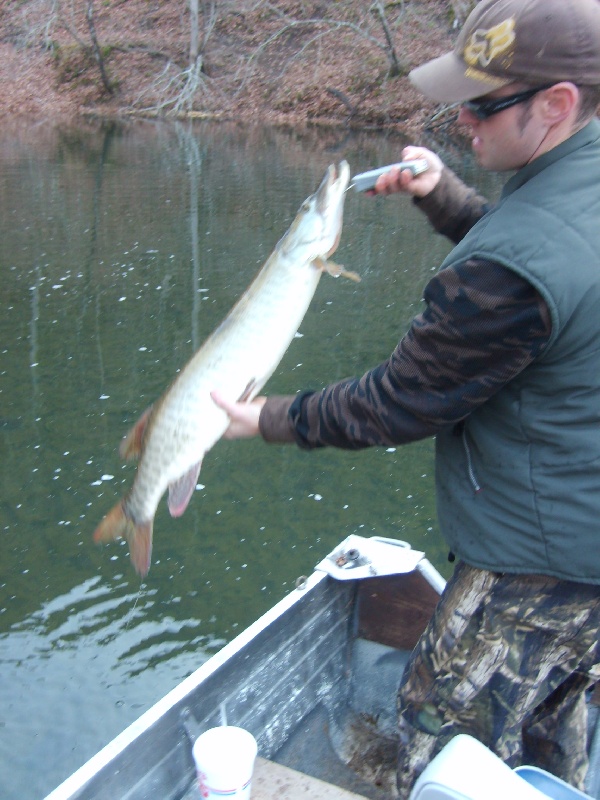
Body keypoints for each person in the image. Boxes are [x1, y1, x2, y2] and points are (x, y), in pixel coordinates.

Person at [212, 0, 600, 795]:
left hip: (531, 574)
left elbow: (398, 402)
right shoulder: (574, 189)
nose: (462, 119)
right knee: (554, 739)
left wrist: (265, 417)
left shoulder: (514, 265)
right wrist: (447, 199)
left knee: (441, 753)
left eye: (484, 104)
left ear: (556, 104)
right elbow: (549, 278)